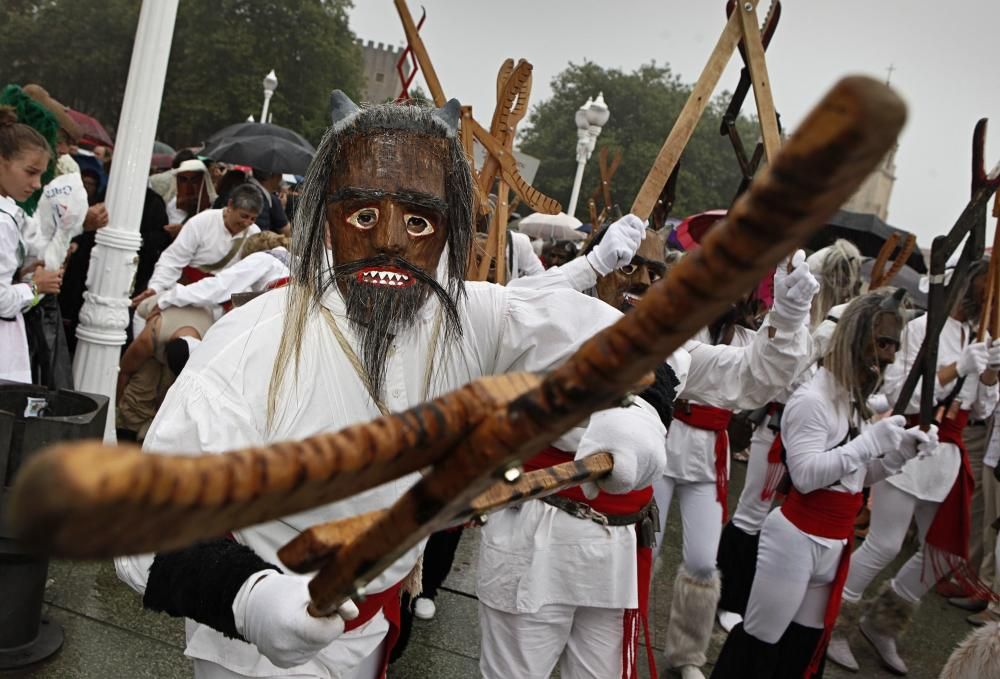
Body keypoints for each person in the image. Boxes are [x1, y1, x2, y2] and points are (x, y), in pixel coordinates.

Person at [114, 93, 667, 679]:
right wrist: (245, 595)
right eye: (362, 215)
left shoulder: (469, 320)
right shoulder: (254, 340)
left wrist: (638, 415)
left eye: (420, 219)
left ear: (450, 227)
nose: (392, 241)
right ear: (325, 216)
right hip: (257, 654)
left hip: (375, 633)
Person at [476, 227, 820, 679]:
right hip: (536, 538)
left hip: (617, 551)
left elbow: (750, 378)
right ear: (601, 262)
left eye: (655, 273)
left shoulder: (670, 351)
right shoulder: (548, 318)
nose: (642, 280)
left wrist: (790, 316)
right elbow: (500, 309)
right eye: (627, 265)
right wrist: (585, 268)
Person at [711, 289, 938, 679]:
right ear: (856, 338)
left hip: (834, 542)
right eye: (882, 343)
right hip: (795, 538)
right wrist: (868, 443)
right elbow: (806, 476)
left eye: (893, 346)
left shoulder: (853, 401)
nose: (888, 356)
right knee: (760, 642)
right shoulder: (811, 400)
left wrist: (899, 456)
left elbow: (852, 480)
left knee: (801, 648)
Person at [827, 259, 1000, 675]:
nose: (992, 305)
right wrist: (958, 367)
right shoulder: (924, 330)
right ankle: (835, 624)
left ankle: (880, 623)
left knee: (942, 553)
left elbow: (982, 408)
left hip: (947, 456)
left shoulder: (980, 337)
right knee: (885, 543)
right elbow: (897, 390)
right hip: (909, 444)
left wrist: (990, 373)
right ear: (967, 290)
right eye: (987, 293)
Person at [715, 240, 865, 633]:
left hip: (815, 430)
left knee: (777, 519)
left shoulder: (840, 318)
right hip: (778, 425)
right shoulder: (811, 320)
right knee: (752, 511)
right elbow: (779, 376)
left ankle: (753, 599)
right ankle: (728, 598)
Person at [0, 105, 61, 382]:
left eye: (41, 175)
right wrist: (36, 287)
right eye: (30, 172)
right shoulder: (2, 221)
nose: (37, 184)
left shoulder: (8, 213)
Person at [132, 183, 262, 307]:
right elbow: (173, 259)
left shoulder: (254, 232)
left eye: (252, 218)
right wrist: (156, 287)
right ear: (230, 205)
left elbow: (251, 272)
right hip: (189, 293)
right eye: (244, 216)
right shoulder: (202, 222)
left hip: (225, 298)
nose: (247, 223)